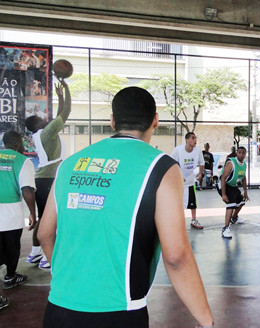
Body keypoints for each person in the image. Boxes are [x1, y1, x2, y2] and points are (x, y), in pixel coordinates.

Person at [37, 87, 213, 328]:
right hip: (119, 310)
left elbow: (44, 234)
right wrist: (207, 321)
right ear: (155, 121)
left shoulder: (69, 164)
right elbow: (176, 257)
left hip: (59, 307)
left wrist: (69, 280)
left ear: (112, 121)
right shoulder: (161, 167)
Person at [24, 80, 71, 270]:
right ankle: (46, 257)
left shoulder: (41, 134)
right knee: (52, 218)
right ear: (37, 124)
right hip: (49, 179)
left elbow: (59, 114)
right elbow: (65, 113)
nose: (44, 118)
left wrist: (59, 97)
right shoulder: (46, 132)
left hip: (42, 179)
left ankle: (35, 254)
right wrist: (66, 89)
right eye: (40, 118)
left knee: (44, 216)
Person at [0, 131, 36, 309]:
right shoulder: (23, 161)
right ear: (18, 144)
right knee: (12, 248)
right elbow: (27, 189)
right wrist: (33, 213)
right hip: (9, 214)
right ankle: (10, 277)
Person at [171, 132, 205, 229]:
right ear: (187, 140)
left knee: (192, 202)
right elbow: (171, 163)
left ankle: (194, 220)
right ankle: (176, 221)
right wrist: (178, 175)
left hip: (190, 180)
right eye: (193, 138)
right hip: (178, 180)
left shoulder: (197, 150)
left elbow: (202, 163)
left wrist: (200, 173)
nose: (195, 140)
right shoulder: (178, 150)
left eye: (196, 138)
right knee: (177, 202)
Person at [218, 146, 250, 239]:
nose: (241, 154)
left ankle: (234, 218)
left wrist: (245, 191)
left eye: (243, 152)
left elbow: (243, 178)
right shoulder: (231, 163)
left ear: (245, 154)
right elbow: (223, 178)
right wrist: (223, 194)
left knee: (241, 202)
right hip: (223, 184)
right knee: (231, 203)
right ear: (237, 153)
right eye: (239, 152)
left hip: (233, 185)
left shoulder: (244, 164)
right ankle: (226, 228)